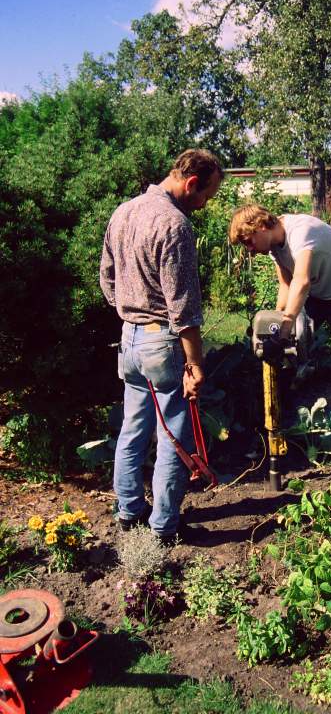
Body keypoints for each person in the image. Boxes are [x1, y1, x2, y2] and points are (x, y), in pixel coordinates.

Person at [100, 149, 224, 541]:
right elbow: (184, 308)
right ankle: (163, 527)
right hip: (162, 342)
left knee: (133, 429)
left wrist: (128, 310)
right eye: (207, 195)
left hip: (130, 338)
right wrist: (196, 364)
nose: (205, 204)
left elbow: (106, 277)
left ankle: (128, 511)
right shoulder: (175, 224)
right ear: (191, 184)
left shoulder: (124, 211)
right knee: (174, 435)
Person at [229, 204, 331, 397]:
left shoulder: (300, 232)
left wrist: (283, 331)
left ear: (260, 227)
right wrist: (275, 322)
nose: (249, 250)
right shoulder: (273, 245)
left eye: (249, 242)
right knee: (291, 345)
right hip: (316, 298)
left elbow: (301, 281)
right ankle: (292, 392)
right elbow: (286, 283)